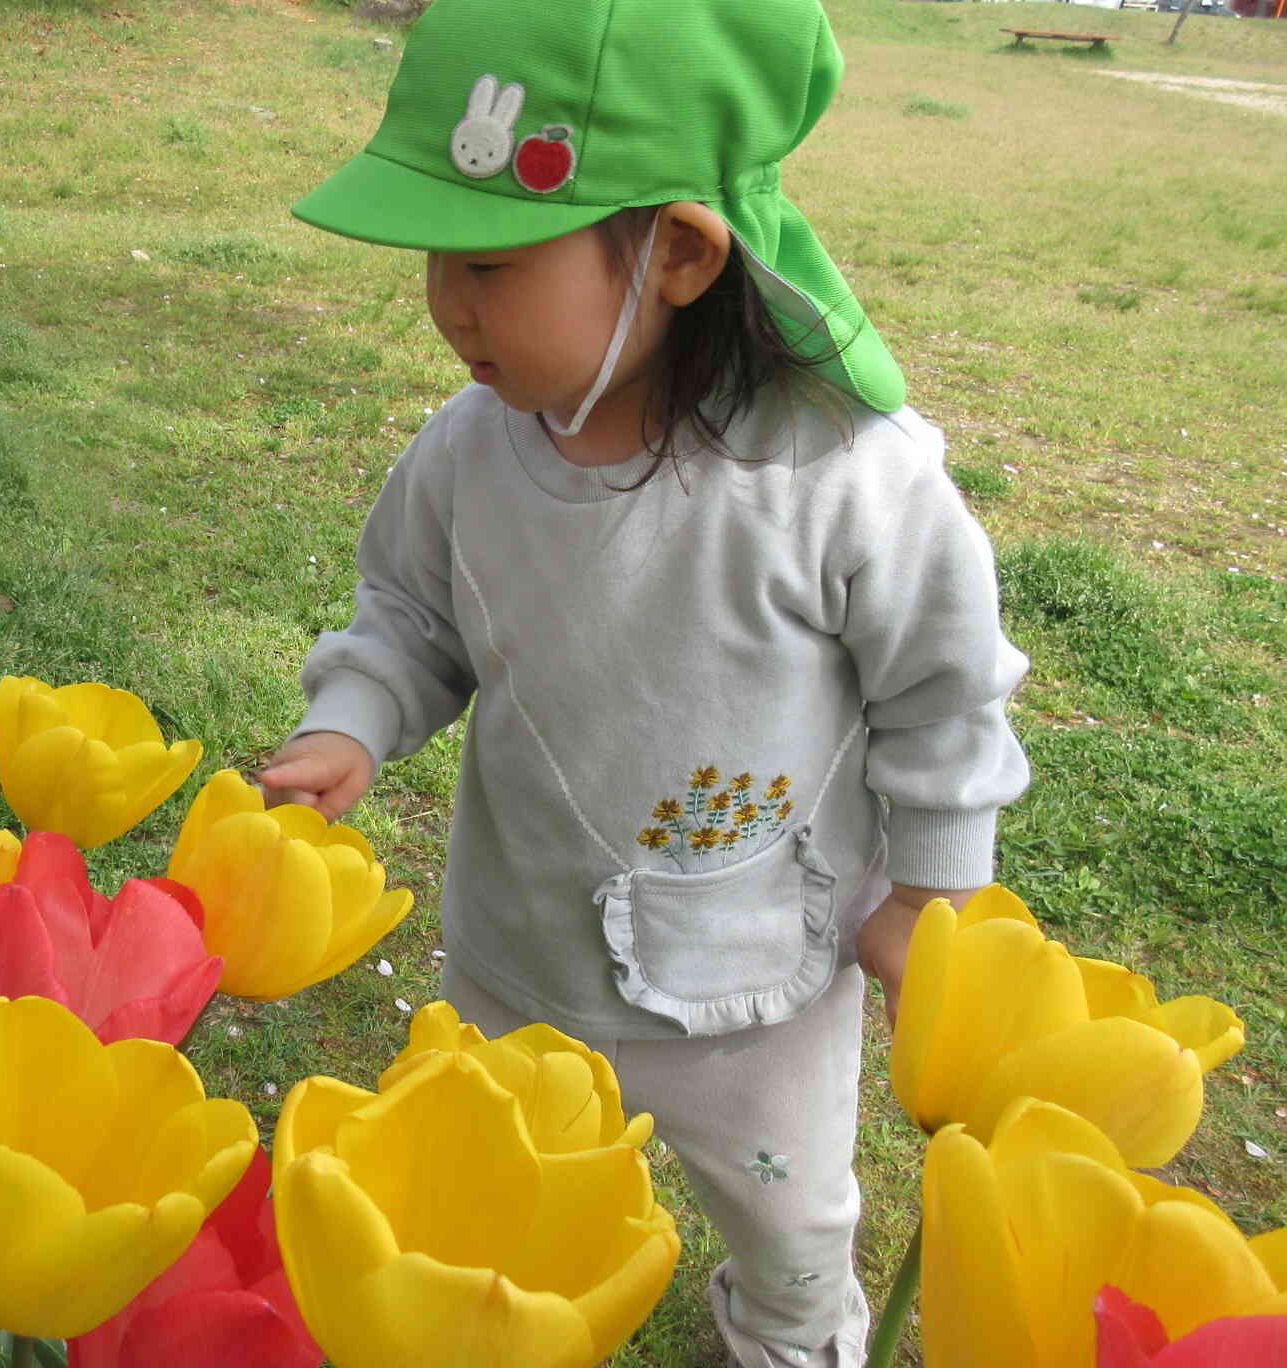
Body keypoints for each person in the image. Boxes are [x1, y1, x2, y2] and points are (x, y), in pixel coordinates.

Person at [255, 0, 1031, 1364]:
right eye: (435, 255)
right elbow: (408, 617)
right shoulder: (467, 453)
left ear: (675, 252)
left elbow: (946, 692)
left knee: (791, 1232)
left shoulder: (841, 478)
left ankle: (791, 1340)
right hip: (520, 955)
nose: (447, 300)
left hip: (752, 994)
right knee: (490, 1223)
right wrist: (354, 722)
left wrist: (930, 892)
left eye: (489, 262)